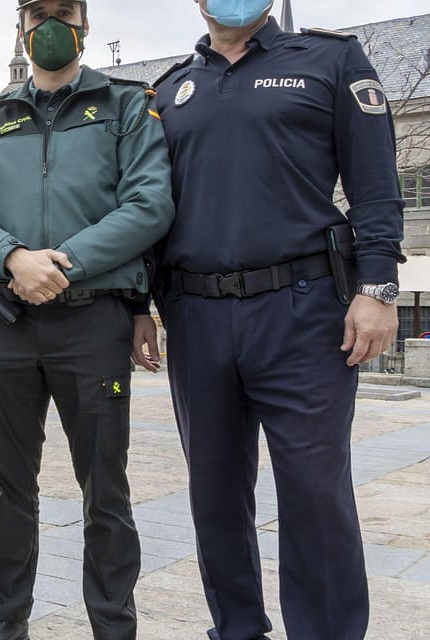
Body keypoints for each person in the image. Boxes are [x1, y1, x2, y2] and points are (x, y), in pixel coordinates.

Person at [150, 1, 404, 638]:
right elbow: (149, 210)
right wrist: (141, 305)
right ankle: (236, 628)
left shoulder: (330, 59)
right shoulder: (169, 89)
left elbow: (375, 184)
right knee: (214, 495)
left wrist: (377, 287)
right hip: (195, 313)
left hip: (304, 311)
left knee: (316, 494)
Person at [0, 1, 176, 638]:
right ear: (19, 26)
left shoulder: (128, 106)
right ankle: (3, 619)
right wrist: (13, 256)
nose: (51, 22)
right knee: (8, 485)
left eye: (64, 10)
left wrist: (64, 263)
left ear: (84, 22)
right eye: (37, 11)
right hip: (8, 324)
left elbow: (150, 204)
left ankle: (112, 623)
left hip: (93, 324)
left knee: (106, 487)